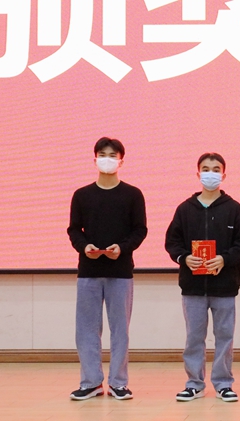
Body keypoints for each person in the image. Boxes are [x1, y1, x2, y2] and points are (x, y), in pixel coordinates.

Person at [165, 153, 240, 402]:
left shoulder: (234, 209)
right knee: (194, 337)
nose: (210, 173)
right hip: (192, 286)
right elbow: (172, 242)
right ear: (198, 174)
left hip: (225, 286)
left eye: (215, 169)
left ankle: (223, 383)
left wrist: (224, 259)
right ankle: (194, 383)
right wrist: (184, 258)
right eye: (205, 169)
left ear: (223, 174)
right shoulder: (185, 209)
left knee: (224, 336)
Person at [67, 137, 148, 400]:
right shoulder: (82, 195)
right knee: (86, 329)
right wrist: (84, 247)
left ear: (121, 161)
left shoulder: (133, 194)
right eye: (103, 154)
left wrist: (121, 248)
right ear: (95, 159)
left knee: (120, 330)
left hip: (120, 271)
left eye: (113, 155)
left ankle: (118, 383)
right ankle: (91, 382)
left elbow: (140, 230)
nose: (107, 159)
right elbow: (74, 230)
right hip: (88, 271)